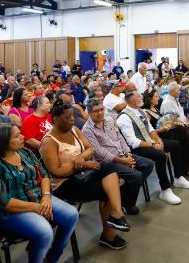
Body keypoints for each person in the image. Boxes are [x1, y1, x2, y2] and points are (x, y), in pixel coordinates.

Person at [0, 124, 79, 263]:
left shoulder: (25, 153)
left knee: (71, 215)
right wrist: (37, 207)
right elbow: (4, 203)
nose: (23, 137)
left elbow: (44, 175)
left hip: (37, 198)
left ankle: (52, 258)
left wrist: (46, 197)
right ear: (3, 143)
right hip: (10, 212)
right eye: (17, 136)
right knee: (44, 231)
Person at [40, 100, 130, 250]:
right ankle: (110, 232)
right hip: (65, 184)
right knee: (108, 188)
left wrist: (81, 158)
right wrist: (83, 164)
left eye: (72, 116)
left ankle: (117, 214)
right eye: (67, 117)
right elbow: (56, 171)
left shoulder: (74, 130)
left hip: (82, 174)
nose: (72, 119)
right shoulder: (49, 141)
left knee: (109, 168)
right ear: (55, 119)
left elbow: (90, 148)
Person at [117, 91, 189, 205]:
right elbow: (132, 142)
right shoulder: (124, 117)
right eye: (139, 96)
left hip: (148, 141)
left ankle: (178, 177)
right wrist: (153, 145)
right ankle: (165, 189)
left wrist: (158, 140)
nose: (142, 98)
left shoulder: (140, 111)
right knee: (160, 155)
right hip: (136, 149)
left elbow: (151, 129)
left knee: (175, 145)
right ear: (132, 100)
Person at [82, 98, 153, 215]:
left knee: (148, 164)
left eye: (101, 109)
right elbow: (98, 151)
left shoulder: (108, 120)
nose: (100, 113)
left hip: (122, 155)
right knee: (136, 176)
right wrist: (122, 161)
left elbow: (120, 137)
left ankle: (122, 197)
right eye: (96, 111)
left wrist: (127, 154)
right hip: (106, 163)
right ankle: (129, 203)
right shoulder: (87, 130)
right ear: (89, 113)